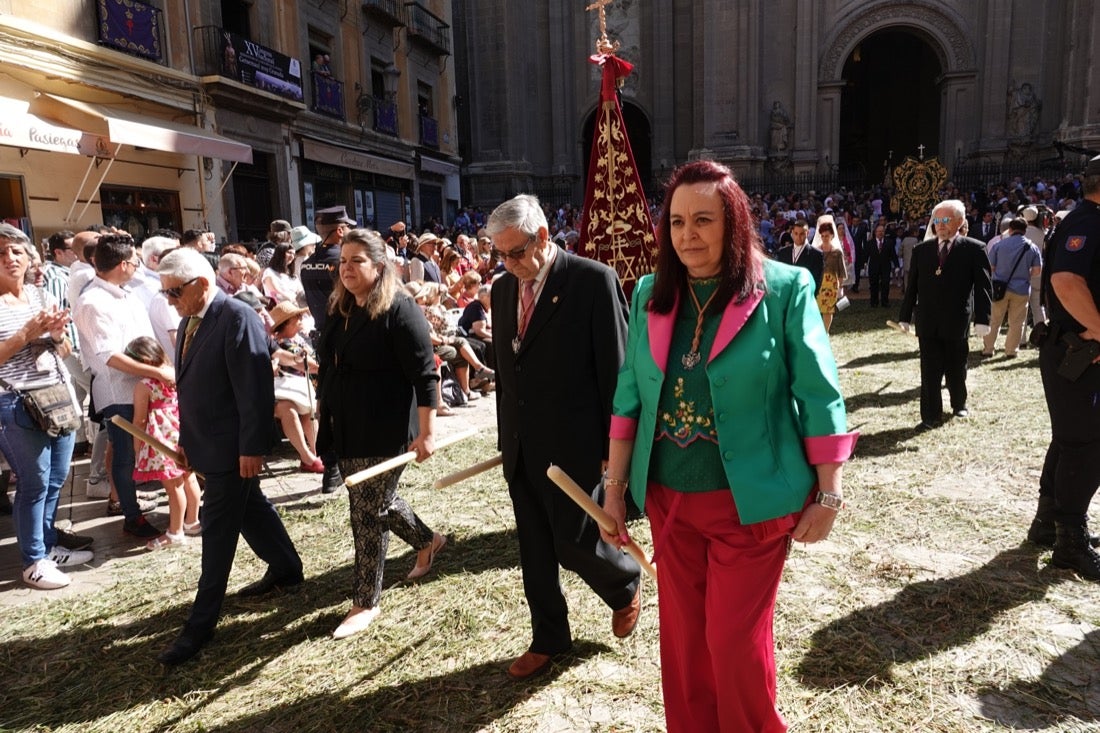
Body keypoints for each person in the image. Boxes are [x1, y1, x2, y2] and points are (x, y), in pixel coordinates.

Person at [600, 160, 855, 732]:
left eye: (703, 221)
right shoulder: (648, 293)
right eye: (677, 222)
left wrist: (830, 493)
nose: (687, 235)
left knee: (733, 643)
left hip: (752, 505)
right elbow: (627, 400)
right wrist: (615, 490)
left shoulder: (786, 289)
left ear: (733, 223)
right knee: (686, 644)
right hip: (670, 499)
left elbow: (819, 393)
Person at [487, 194, 642, 680]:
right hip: (521, 443)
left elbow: (615, 372)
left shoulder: (591, 281)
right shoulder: (501, 290)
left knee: (573, 540)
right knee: (534, 547)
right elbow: (508, 368)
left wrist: (609, 454)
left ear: (543, 237)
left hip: (574, 443)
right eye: (500, 255)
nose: (509, 265)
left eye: (516, 253)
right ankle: (549, 636)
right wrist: (505, 435)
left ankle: (624, 584)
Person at [155, 248, 304, 666]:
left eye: (174, 291)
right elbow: (189, 388)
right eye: (165, 293)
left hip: (231, 450)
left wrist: (252, 447)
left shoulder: (236, 317)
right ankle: (287, 568)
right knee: (251, 508)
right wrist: (186, 439)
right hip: (208, 444)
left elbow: (253, 388)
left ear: (202, 283)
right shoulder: (190, 319)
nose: (170, 300)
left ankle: (198, 627)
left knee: (217, 538)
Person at [315, 228, 446, 640]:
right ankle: (428, 540)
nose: (347, 268)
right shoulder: (340, 308)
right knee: (376, 501)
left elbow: (426, 376)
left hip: (385, 427)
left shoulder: (400, 309)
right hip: (346, 426)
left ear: (379, 266)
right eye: (343, 261)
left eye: (357, 260)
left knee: (366, 514)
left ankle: (364, 601)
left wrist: (427, 433)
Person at [0, 224, 94, 589]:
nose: (10, 258)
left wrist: (55, 334)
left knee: (56, 478)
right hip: (15, 400)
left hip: (55, 396)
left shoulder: (40, 296)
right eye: (1, 252)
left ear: (29, 258)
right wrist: (26, 333)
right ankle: (33, 561)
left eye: (16, 251)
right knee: (33, 482)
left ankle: (48, 545)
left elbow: (65, 351)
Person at [1029, 154, 1100, 578]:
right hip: (1081, 352)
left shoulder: (1083, 219)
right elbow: (1066, 282)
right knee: (1086, 445)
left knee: (1072, 439)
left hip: (1075, 350)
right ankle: (1069, 542)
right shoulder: (1088, 221)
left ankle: (1047, 524)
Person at [73, 233, 166, 539]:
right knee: (125, 453)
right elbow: (109, 356)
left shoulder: (125, 293)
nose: (138, 266)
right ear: (124, 264)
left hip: (142, 384)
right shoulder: (93, 301)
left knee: (124, 451)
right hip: (119, 391)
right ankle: (131, 515)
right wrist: (161, 373)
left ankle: (122, 501)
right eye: (136, 261)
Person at [898, 199, 993, 429]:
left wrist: (983, 319)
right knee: (929, 369)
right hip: (928, 319)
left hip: (956, 318)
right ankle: (930, 416)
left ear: (960, 222)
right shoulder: (922, 250)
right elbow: (913, 286)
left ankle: (959, 403)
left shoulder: (973, 248)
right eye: (937, 220)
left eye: (946, 219)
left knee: (955, 366)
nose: (940, 224)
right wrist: (905, 315)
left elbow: (983, 286)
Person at [300, 205, 357, 494]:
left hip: (323, 338)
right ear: (339, 230)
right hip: (345, 336)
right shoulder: (342, 261)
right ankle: (344, 462)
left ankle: (331, 465)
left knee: (328, 400)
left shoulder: (307, 264)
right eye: (347, 227)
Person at [125, 336, 202, 550]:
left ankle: (175, 533)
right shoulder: (176, 374)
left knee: (173, 485)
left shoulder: (144, 385)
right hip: (183, 433)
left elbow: (140, 420)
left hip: (162, 440)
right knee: (189, 478)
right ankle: (192, 521)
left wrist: (137, 444)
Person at [269, 301, 323, 473]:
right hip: (284, 394)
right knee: (290, 408)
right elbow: (310, 365)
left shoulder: (297, 340)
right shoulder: (283, 343)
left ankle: (315, 455)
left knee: (309, 411)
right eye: (297, 317)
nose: (301, 319)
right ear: (286, 323)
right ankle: (309, 456)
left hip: (300, 391)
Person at [982, 218, 1042, 358]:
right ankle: (1011, 351)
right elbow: (1037, 270)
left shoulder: (999, 245)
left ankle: (988, 349)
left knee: (995, 320)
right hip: (1021, 288)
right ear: (1025, 230)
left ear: (1010, 229)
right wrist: (1025, 274)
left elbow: (990, 266)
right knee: (1017, 322)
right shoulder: (1031, 247)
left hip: (999, 288)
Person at [811, 214, 848, 333]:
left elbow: (841, 271)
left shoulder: (837, 253)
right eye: (822, 236)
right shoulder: (815, 251)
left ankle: (825, 332)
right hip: (818, 283)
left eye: (827, 235)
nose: (824, 238)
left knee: (828, 310)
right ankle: (817, 331)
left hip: (831, 285)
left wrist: (840, 287)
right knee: (816, 309)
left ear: (832, 235)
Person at [773, 218, 823, 294]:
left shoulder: (817, 254)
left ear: (808, 233)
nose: (798, 237)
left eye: (802, 234)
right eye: (796, 233)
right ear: (792, 233)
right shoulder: (783, 252)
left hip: (804, 297)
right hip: (785, 297)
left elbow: (816, 282)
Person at [865, 223, 899, 308]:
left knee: (885, 285)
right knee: (873, 285)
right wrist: (864, 264)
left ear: (884, 232)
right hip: (873, 267)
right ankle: (874, 302)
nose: (880, 233)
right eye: (879, 231)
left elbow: (893, 255)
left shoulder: (889, 242)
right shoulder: (870, 243)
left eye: (882, 231)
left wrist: (897, 266)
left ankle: (885, 302)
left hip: (885, 267)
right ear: (875, 232)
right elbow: (865, 255)